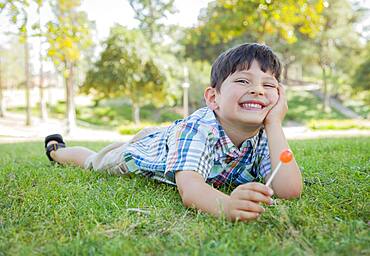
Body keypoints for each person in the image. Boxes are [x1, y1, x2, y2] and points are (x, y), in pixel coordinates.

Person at [44, 43, 303, 222]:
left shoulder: (267, 136)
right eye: (243, 80)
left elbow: (289, 190)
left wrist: (274, 124)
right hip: (145, 150)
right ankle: (57, 151)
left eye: (268, 85)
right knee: (94, 161)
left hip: (169, 137)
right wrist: (227, 205)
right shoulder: (200, 128)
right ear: (213, 98)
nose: (258, 90)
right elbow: (190, 188)